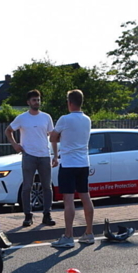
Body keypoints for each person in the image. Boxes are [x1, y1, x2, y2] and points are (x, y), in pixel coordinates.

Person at [49, 90, 94, 248]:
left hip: (68, 164)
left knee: (68, 200)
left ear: (69, 102)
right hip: (83, 163)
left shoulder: (64, 119)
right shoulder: (87, 119)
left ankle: (68, 235)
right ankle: (89, 232)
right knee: (85, 196)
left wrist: (61, 138)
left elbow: (52, 137)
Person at [5, 89, 56, 227]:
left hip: (44, 155)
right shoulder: (22, 118)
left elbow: (52, 136)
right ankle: (28, 215)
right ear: (28, 102)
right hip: (29, 155)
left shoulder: (46, 117)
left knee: (47, 186)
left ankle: (47, 214)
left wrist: (55, 155)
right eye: (34, 100)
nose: (37, 102)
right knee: (27, 186)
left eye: (38, 99)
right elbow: (8, 130)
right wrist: (15, 145)